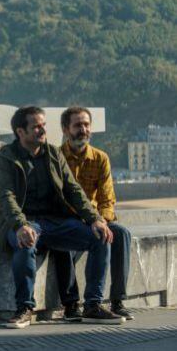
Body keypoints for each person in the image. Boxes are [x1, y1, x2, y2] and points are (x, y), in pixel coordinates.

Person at [0, 106, 123, 329]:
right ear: (20, 132)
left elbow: (73, 190)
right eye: (36, 127)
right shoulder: (7, 157)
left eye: (43, 125)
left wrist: (94, 219)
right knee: (25, 242)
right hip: (23, 221)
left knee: (100, 236)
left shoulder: (53, 153)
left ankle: (92, 305)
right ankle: (24, 308)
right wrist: (20, 225)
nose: (42, 130)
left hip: (55, 222)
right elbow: (7, 196)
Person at [53, 107, 133, 321]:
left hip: (96, 220)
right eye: (78, 125)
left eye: (87, 125)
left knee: (121, 234)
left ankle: (117, 300)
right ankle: (71, 305)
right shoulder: (56, 158)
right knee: (63, 242)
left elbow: (108, 199)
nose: (83, 129)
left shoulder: (101, 158)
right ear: (65, 129)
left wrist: (102, 221)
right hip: (68, 219)